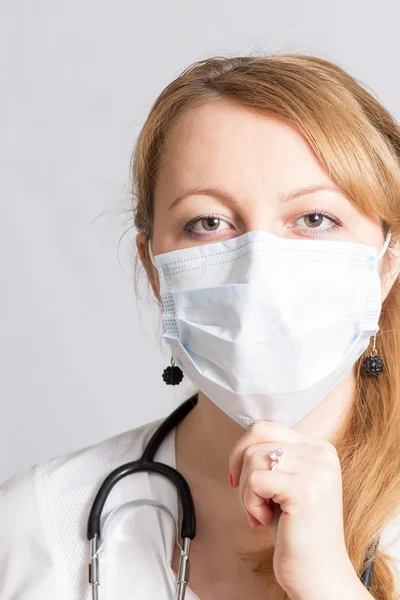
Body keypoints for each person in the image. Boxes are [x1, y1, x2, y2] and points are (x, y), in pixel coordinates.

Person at [1, 53, 400, 600]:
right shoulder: (35, 525)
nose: (258, 268)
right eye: (208, 223)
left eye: (314, 219)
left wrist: (330, 586)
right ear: (154, 268)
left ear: (386, 262)